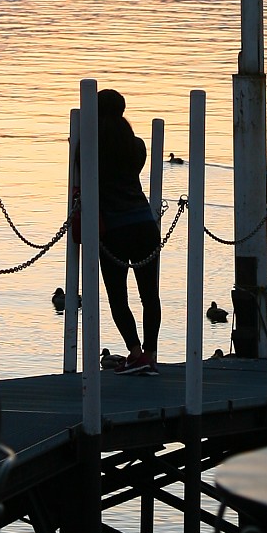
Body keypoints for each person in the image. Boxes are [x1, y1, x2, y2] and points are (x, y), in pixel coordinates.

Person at [94, 88, 162, 372]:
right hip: (145, 225)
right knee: (149, 295)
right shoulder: (138, 147)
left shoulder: (92, 148)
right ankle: (150, 353)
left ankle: (135, 351)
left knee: (118, 296)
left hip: (115, 230)